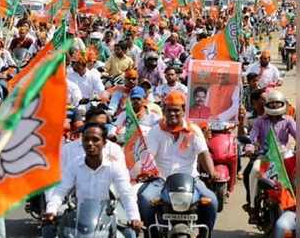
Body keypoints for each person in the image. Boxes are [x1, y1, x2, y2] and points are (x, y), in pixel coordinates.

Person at [139, 91, 218, 238]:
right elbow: (149, 155)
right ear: (164, 111)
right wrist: (145, 170)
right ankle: (152, 233)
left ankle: (204, 234)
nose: (173, 113)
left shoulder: (194, 130)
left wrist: (212, 172)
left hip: (191, 180)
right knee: (144, 198)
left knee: (212, 201)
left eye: (176, 110)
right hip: (161, 180)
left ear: (183, 111)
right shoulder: (156, 131)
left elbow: (203, 153)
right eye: (169, 110)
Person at [43, 123, 143, 238]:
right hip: (77, 211)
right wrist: (51, 210)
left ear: (104, 143)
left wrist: (134, 218)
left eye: (95, 140)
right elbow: (61, 190)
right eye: (86, 140)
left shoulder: (114, 166)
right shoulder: (74, 165)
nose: (90, 144)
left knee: (130, 234)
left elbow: (126, 194)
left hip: (110, 212)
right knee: (48, 229)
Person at [244, 90, 296, 224]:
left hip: (285, 156)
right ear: (266, 105)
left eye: (277, 104)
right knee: (254, 172)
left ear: (283, 104)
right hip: (265, 156)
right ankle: (253, 207)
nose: (274, 107)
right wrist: (249, 147)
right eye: (271, 104)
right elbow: (252, 137)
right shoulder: (260, 121)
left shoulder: (288, 120)